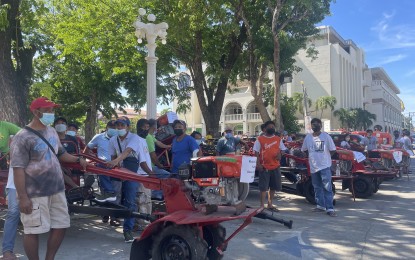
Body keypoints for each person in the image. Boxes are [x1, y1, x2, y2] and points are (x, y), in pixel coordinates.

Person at [10, 97, 88, 260]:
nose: (51, 114)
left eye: (52, 110)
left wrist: (77, 159)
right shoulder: (22, 137)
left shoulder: (52, 131)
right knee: (33, 230)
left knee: (62, 225)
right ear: (35, 112)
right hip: (35, 193)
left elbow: (60, 153)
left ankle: (49, 258)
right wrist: (23, 197)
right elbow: (18, 169)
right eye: (48, 111)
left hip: (57, 190)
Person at [107, 117, 154, 242]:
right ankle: (114, 217)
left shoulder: (134, 138)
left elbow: (127, 151)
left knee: (130, 200)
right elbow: (112, 156)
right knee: (115, 197)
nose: (120, 128)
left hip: (132, 173)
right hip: (119, 171)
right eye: (118, 126)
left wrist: (116, 161)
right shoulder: (112, 140)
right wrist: (114, 164)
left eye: (122, 125)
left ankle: (127, 230)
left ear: (127, 126)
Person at [84, 120, 121, 226]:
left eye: (115, 126)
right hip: (102, 167)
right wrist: (87, 158)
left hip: (116, 168)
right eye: (111, 126)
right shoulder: (99, 137)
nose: (113, 128)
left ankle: (113, 217)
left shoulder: (119, 138)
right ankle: (105, 214)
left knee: (115, 192)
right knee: (106, 192)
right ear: (107, 127)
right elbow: (88, 147)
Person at [301, 118, 337, 217]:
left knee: (327, 188)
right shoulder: (308, 137)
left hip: (325, 166)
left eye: (317, 124)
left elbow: (332, 150)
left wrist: (325, 158)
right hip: (313, 167)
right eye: (313, 124)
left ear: (321, 125)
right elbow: (304, 150)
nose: (315, 125)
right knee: (317, 187)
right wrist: (311, 157)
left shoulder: (326, 137)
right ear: (310, 126)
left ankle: (330, 208)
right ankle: (320, 206)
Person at [253, 121, 287, 211]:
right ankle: (261, 205)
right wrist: (258, 164)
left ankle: (270, 204)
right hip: (264, 167)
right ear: (265, 129)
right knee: (263, 187)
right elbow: (256, 152)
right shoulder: (260, 139)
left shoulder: (278, 139)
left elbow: (283, 149)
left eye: (273, 126)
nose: (272, 127)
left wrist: (281, 153)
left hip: (275, 166)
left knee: (273, 187)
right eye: (270, 126)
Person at [1, 121, 21, 260]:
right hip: (14, 184)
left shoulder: (7, 126)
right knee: (13, 212)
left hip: (35, 185)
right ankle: (7, 251)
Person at [146, 119, 172, 200]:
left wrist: (167, 146)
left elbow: (158, 143)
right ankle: (157, 195)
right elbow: (153, 155)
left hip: (149, 165)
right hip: (149, 166)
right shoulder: (148, 137)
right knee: (167, 175)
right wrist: (159, 165)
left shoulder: (150, 136)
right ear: (154, 126)